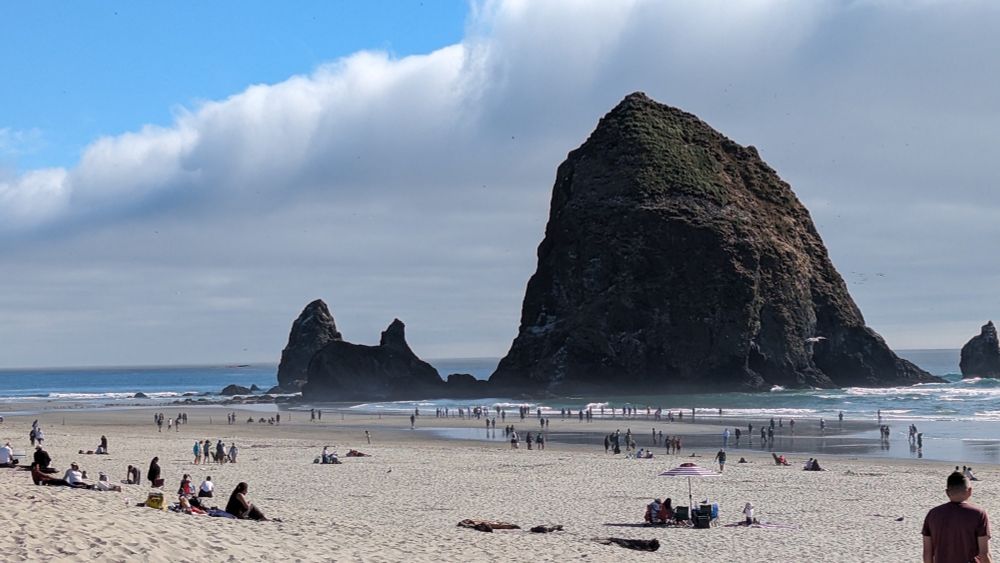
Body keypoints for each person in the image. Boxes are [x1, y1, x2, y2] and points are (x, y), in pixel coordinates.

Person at [922, 471, 991, 563]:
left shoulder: (933, 514)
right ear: (970, 491)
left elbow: (927, 553)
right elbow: (984, 554)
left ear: (947, 492)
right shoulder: (978, 514)